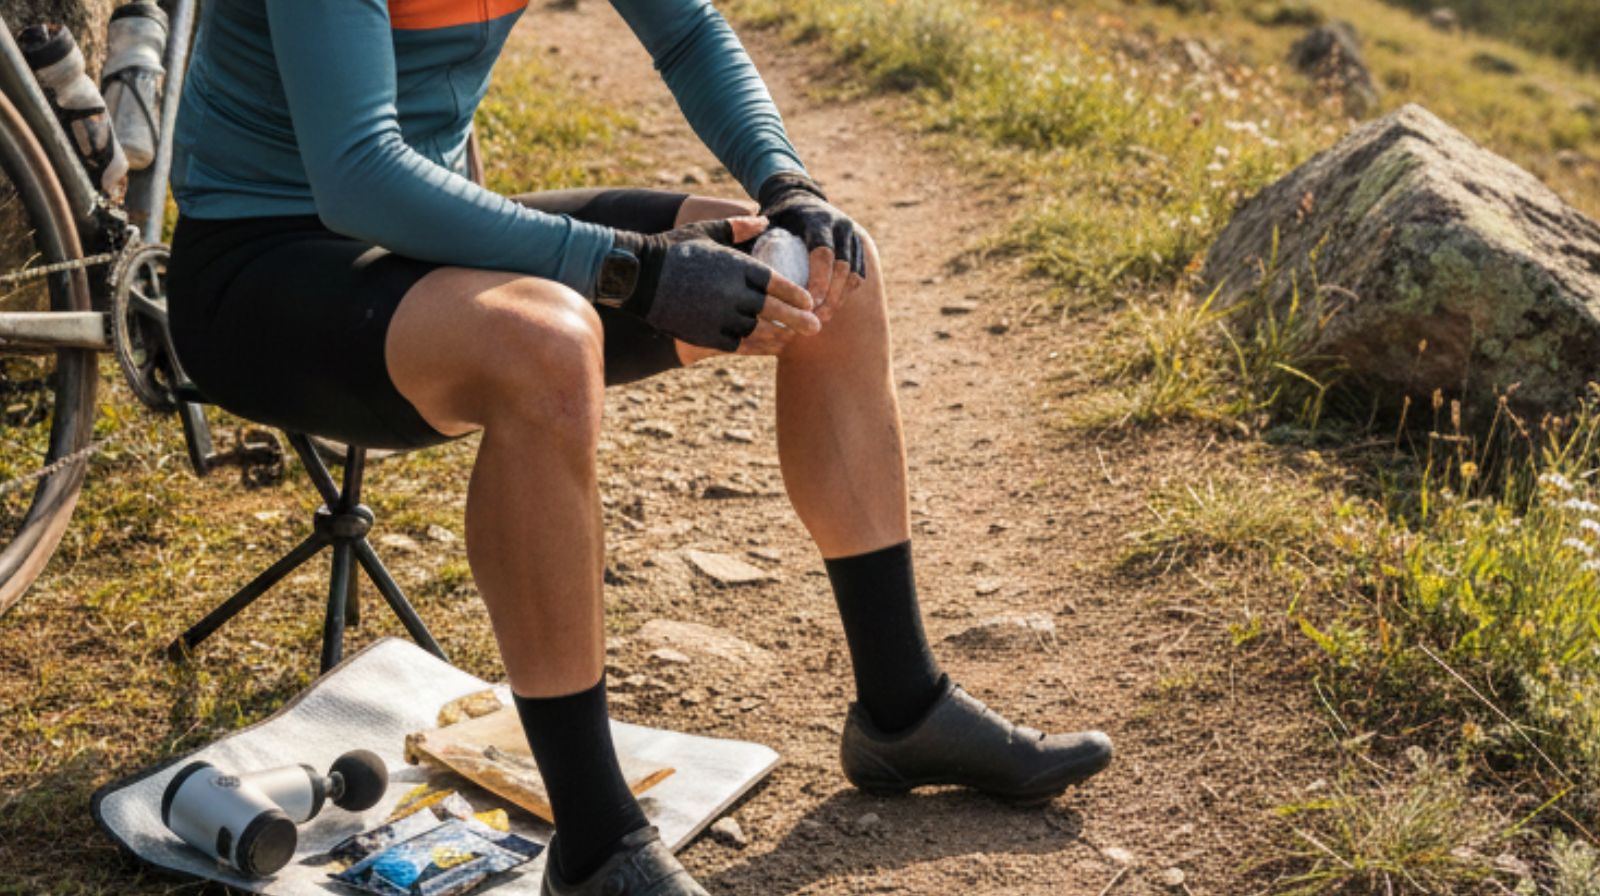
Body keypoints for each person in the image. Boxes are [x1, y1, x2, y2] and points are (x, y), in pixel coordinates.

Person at [164, 1, 1114, 893]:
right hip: (262, 269)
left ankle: (903, 711)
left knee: (832, 263)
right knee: (547, 342)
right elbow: (358, 170)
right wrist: (633, 268)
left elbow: (689, 31)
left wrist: (788, 186)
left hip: (430, 241)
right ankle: (594, 839)